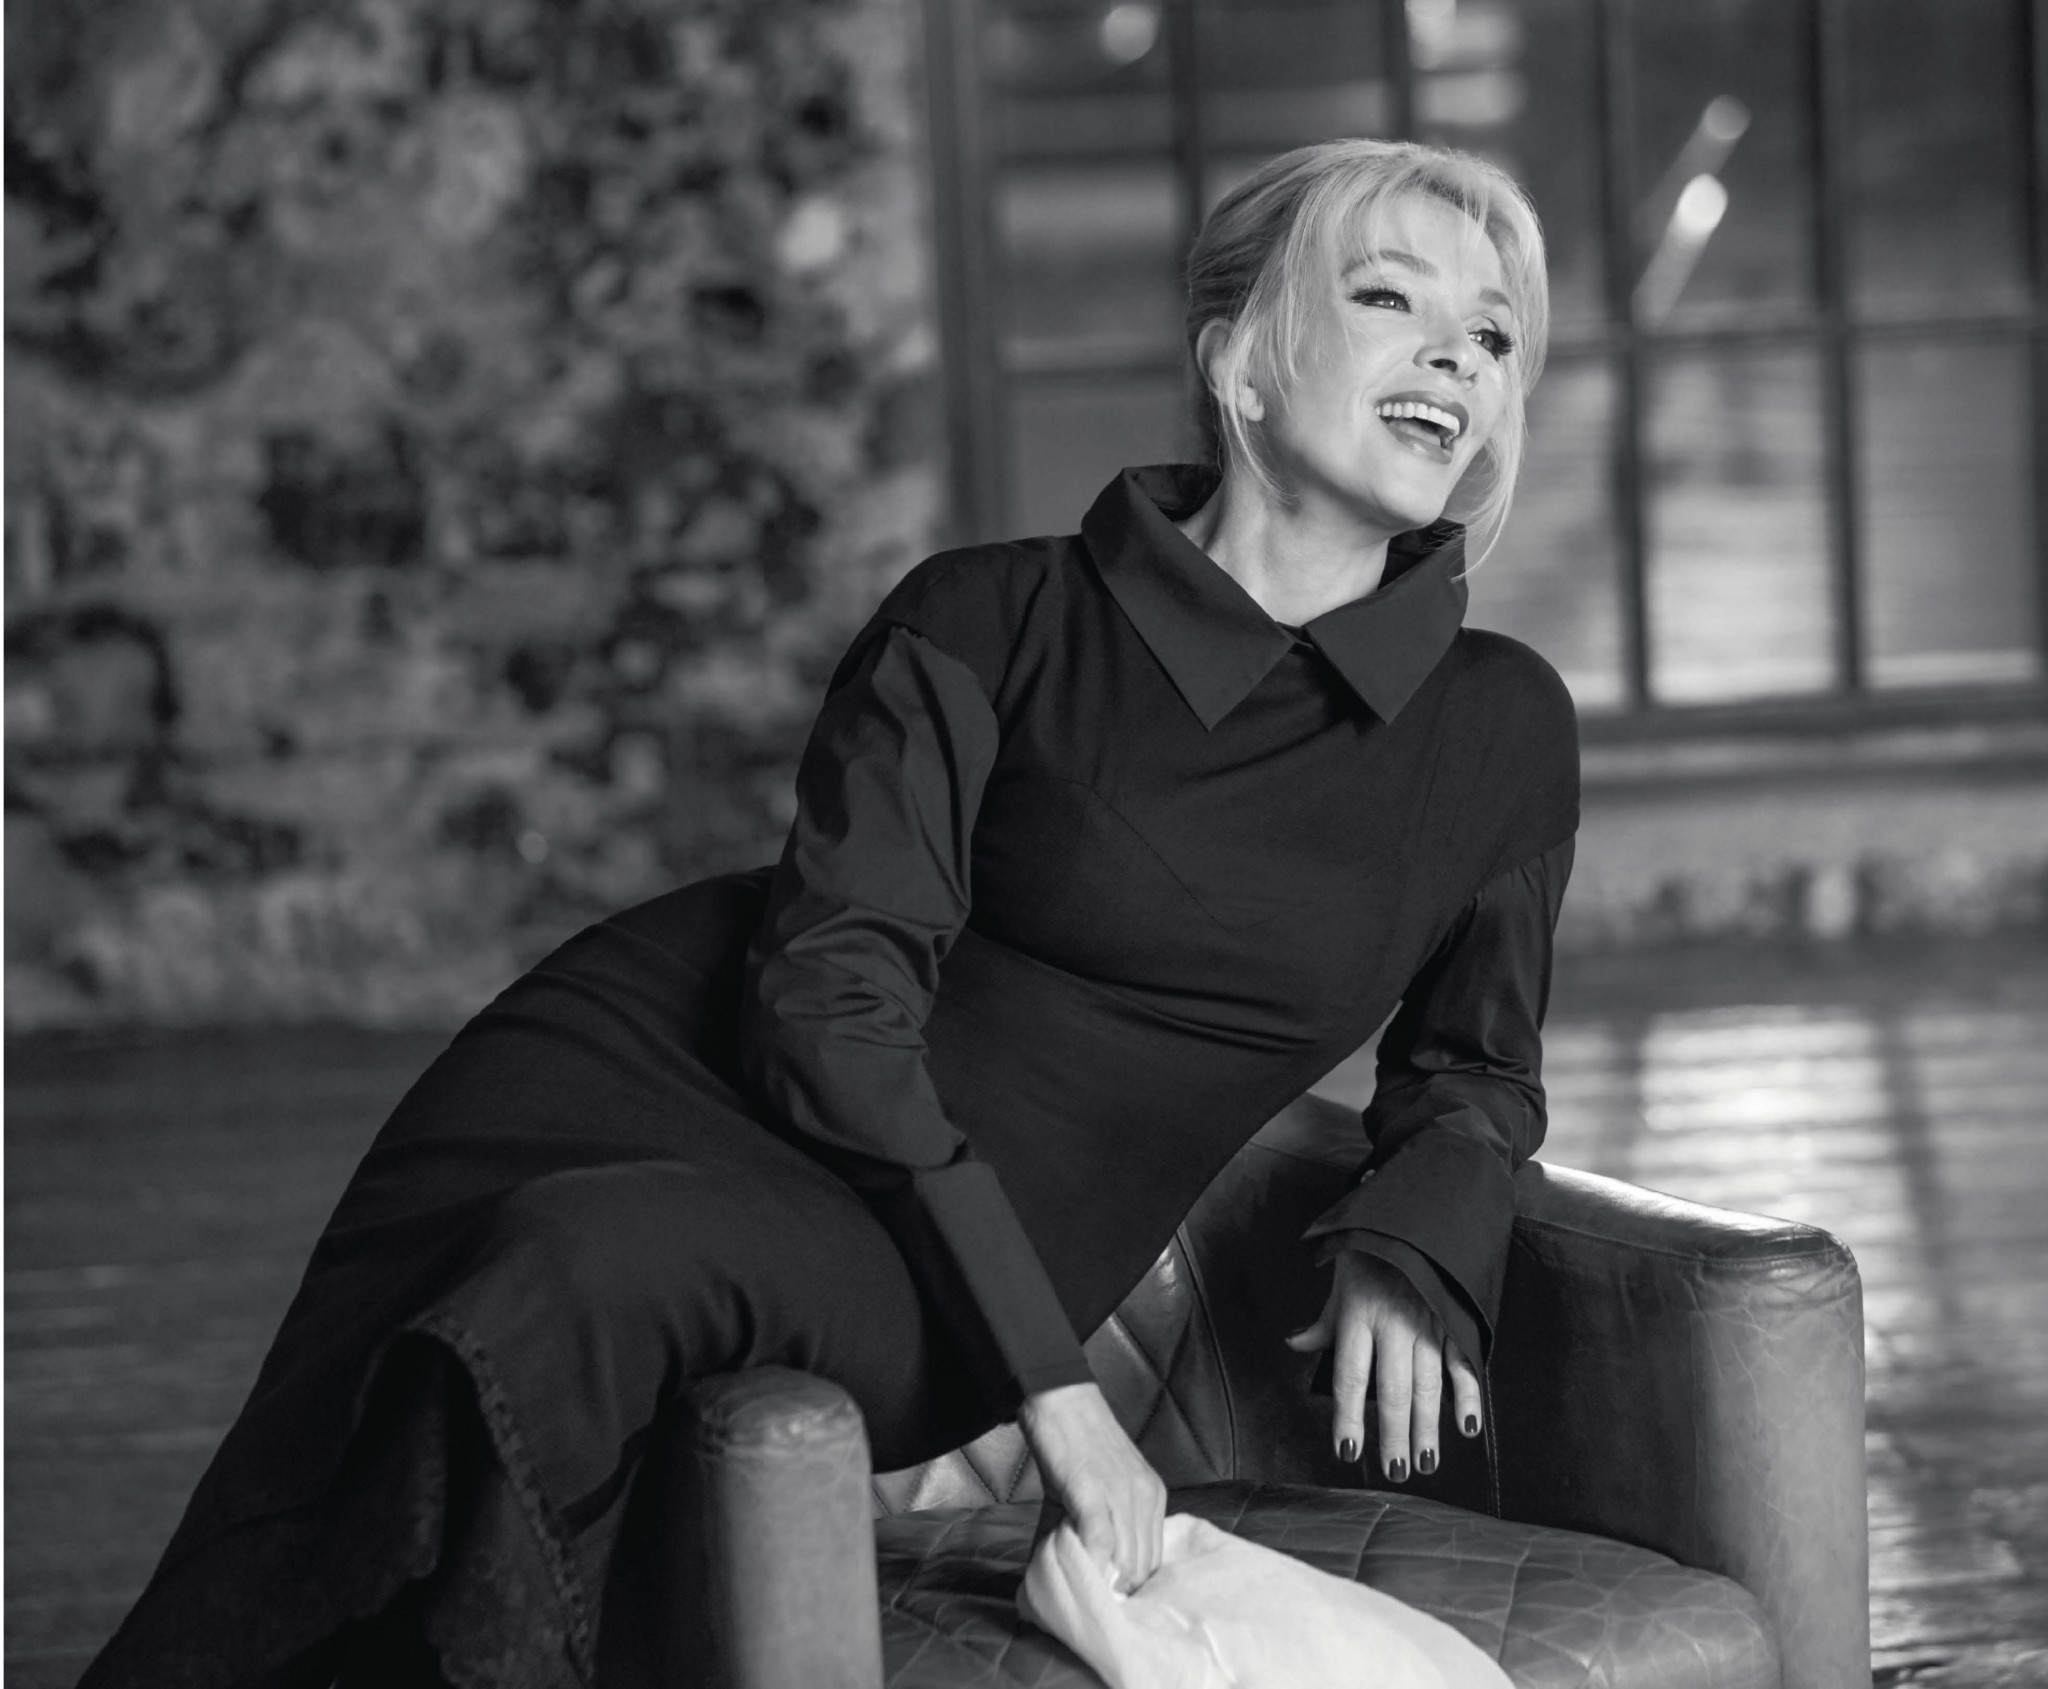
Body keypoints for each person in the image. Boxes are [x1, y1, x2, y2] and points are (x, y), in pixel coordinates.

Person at [80, 135, 1576, 1688]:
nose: (1455, 359)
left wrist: (1418, 1241)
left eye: (1491, 333)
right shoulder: (988, 616)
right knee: (400, 1358)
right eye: (1392, 298)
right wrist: (1060, 1395)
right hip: (641, 1073)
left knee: (573, 1266)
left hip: (903, 1255)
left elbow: (1476, 1066)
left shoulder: (1502, 728)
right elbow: (827, 999)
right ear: (1240, 363)